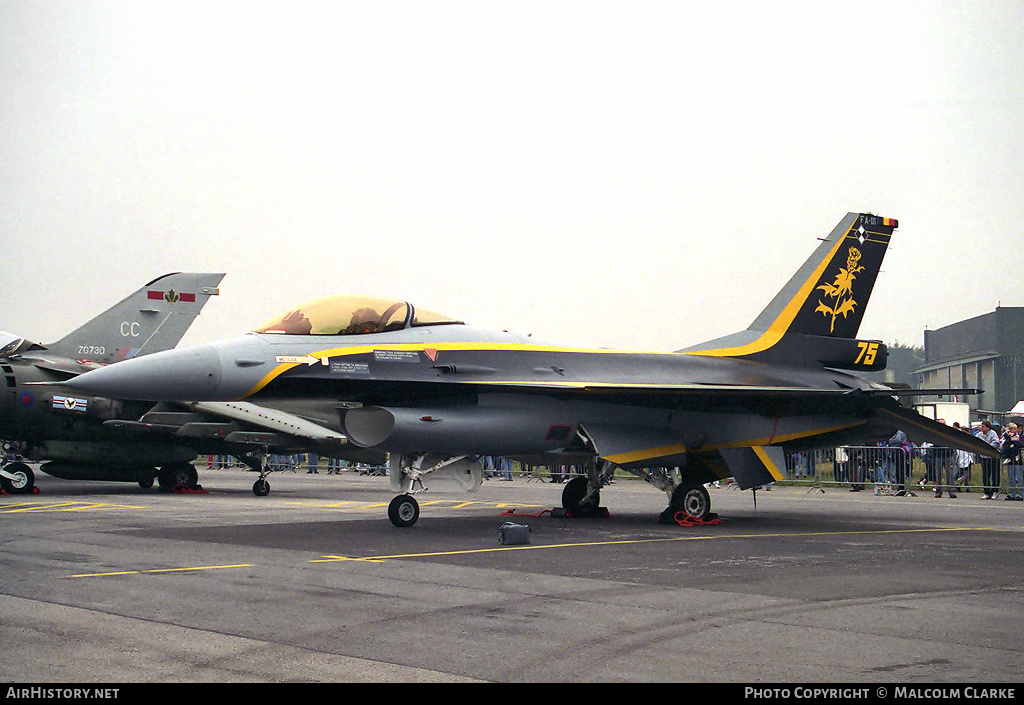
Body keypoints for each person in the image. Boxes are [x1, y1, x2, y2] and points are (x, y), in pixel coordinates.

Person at [976, 420, 1001, 499]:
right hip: (984, 457)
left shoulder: (993, 433)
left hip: (993, 457)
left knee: (995, 475)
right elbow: (975, 441)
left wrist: (987, 446)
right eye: (981, 426)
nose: (981, 428)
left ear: (988, 428)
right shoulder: (979, 435)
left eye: (983, 426)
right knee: (985, 476)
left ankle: (995, 491)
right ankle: (987, 492)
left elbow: (996, 442)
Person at [932, 419, 957, 498]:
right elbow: (934, 442)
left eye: (943, 423)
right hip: (938, 455)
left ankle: (952, 491)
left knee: (950, 474)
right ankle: (938, 491)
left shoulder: (948, 432)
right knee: (938, 474)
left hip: (948, 455)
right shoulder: (935, 432)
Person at [1001, 423, 1023, 501]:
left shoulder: (1020, 436)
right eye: (1015, 429)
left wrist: (1013, 443)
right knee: (1011, 477)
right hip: (1010, 459)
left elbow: (1020, 444)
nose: (1018, 430)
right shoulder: (1008, 435)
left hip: (1018, 459)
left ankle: (1021, 494)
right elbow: (1004, 444)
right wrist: (1010, 441)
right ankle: (1012, 493)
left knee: (1020, 477)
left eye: (1019, 428)